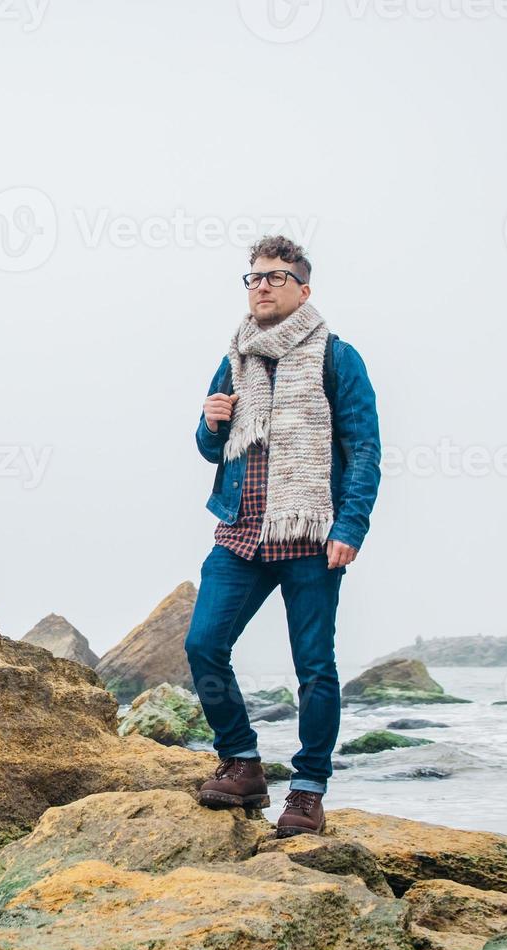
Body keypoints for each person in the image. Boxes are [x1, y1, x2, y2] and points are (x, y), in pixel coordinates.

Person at [187, 234, 382, 838]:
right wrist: (209, 424)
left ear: (303, 288)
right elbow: (209, 448)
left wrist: (350, 525)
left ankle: (307, 791)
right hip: (242, 533)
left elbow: (365, 449)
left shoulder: (336, 357)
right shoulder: (235, 357)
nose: (262, 286)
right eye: (254, 278)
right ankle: (242, 763)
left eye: (275, 277)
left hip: (310, 536)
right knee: (202, 645)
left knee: (314, 668)